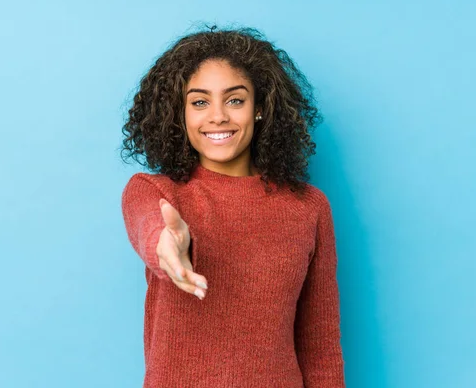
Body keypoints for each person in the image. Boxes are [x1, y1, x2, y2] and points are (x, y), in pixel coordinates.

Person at [120, 26, 345, 387]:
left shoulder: (309, 208)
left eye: (235, 100)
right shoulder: (156, 193)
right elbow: (149, 227)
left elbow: (320, 351)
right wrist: (166, 247)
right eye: (199, 102)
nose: (218, 116)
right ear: (180, 115)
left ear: (260, 109)